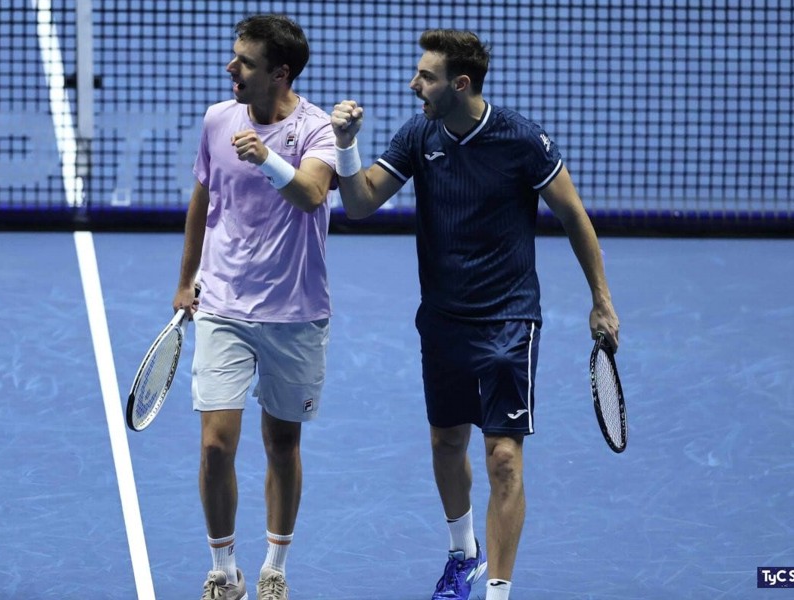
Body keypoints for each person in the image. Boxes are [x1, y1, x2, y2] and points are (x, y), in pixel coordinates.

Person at [330, 29, 620, 600]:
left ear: (460, 84)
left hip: (509, 319)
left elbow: (573, 216)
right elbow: (359, 203)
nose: (414, 84)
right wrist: (346, 144)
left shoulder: (522, 139)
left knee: (503, 457)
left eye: (426, 76)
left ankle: (497, 592)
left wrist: (601, 300)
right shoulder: (419, 134)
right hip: (442, 319)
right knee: (446, 443)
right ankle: (463, 554)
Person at [172, 14, 337, 600]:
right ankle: (224, 571)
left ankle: (274, 567)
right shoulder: (218, 118)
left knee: (282, 445)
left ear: (280, 73)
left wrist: (266, 158)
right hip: (223, 305)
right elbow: (202, 197)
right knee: (215, 444)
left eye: (245, 61)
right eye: (234, 56)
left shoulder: (318, 129)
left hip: (295, 312)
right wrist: (186, 279)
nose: (231, 68)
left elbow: (312, 193)